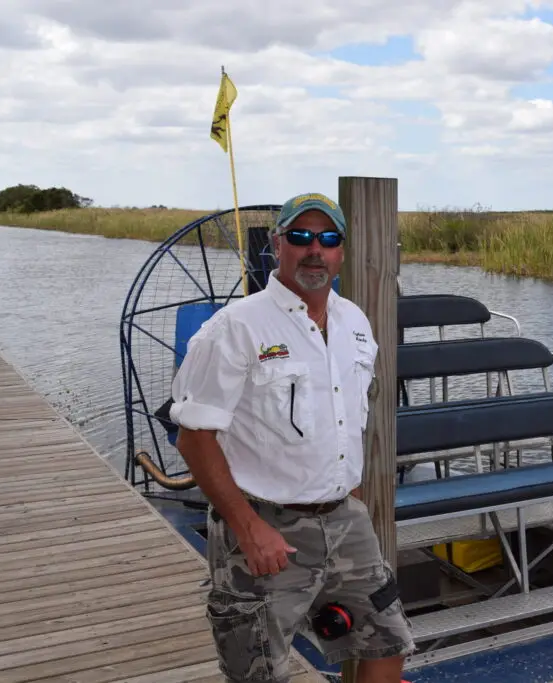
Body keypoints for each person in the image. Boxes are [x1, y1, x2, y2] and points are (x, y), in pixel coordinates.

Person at [169, 192, 414, 683]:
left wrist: (352, 495)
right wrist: (247, 527)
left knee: (387, 640)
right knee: (258, 668)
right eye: (300, 237)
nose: (314, 250)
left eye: (328, 238)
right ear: (277, 244)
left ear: (341, 250)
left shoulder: (355, 323)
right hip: (264, 524)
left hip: (345, 520)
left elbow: (348, 418)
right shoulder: (234, 328)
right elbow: (194, 438)